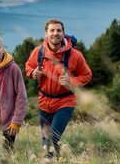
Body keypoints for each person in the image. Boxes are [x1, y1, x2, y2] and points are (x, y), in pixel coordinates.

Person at [25, 18, 92, 159]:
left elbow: (87, 75)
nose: (55, 33)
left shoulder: (75, 55)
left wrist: (71, 81)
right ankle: (53, 159)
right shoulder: (39, 52)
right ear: (46, 34)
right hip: (44, 100)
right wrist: (33, 73)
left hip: (65, 101)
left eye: (58, 30)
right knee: (45, 139)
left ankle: (56, 159)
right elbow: (28, 67)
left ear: (63, 33)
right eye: (52, 30)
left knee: (53, 136)